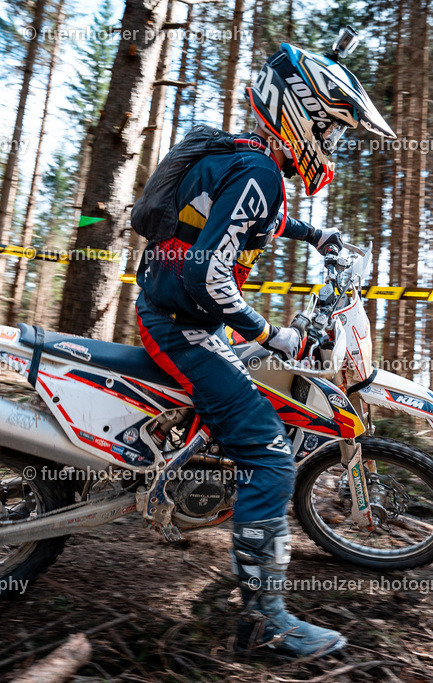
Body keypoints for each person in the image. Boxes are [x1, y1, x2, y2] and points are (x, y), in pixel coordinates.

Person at [134, 38, 394, 658]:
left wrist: (317, 234)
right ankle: (265, 620)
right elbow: (207, 274)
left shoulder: (246, 158)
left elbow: (246, 220)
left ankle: (191, 481)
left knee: (247, 395)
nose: (330, 147)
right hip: (184, 323)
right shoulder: (259, 173)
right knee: (272, 458)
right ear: (300, 116)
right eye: (329, 131)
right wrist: (270, 332)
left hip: (177, 313)